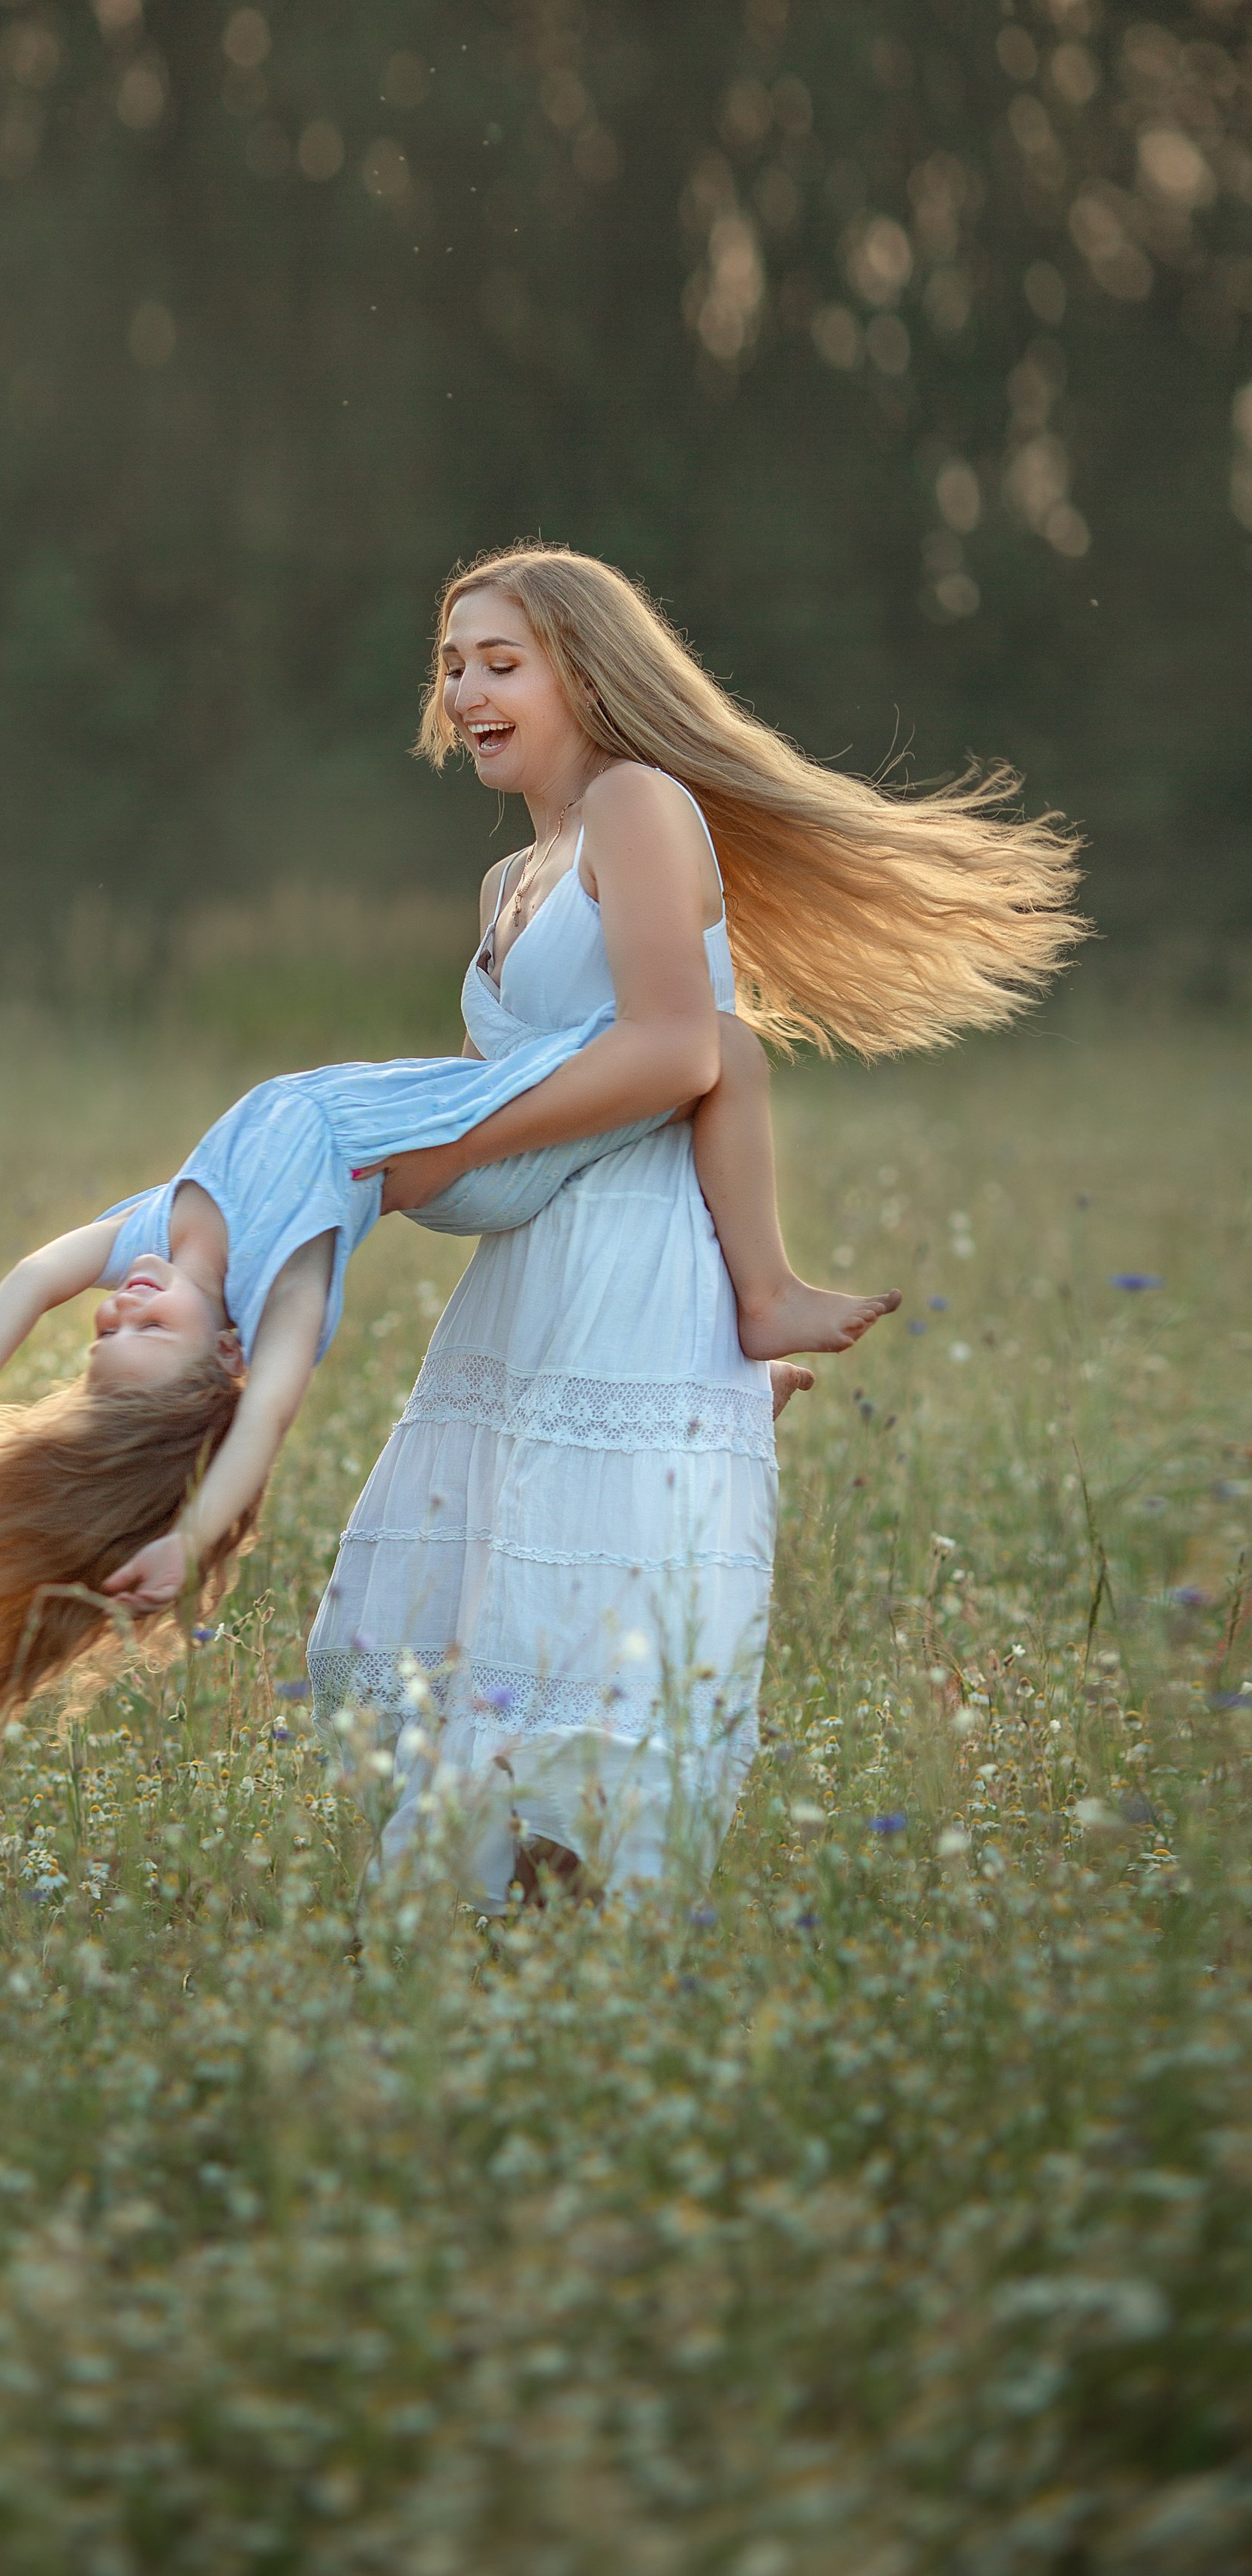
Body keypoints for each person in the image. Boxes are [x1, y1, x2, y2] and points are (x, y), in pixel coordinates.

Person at [307, 544, 1083, 1914]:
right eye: (452, 665)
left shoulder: (638, 806)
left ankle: (587, 1952)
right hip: (529, 1270)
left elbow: (683, 1052)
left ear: (585, 673)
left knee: (593, 1630)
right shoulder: (511, 882)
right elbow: (547, 1079)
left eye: (503, 662)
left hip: (636, 1248)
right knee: (496, 1618)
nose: (469, 690)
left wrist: (455, 1141)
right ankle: (490, 1944)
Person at [0, 950, 852, 1761]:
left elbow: (38, 1275)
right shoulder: (283, 1281)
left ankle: (737, 1397)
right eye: (148, 1337)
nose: (118, 1312)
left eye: (103, 1340)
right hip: (476, 1158)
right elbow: (270, 1413)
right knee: (719, 1045)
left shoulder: (154, 1239)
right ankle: (767, 1300)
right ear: (226, 1352)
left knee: (667, 1041)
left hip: (460, 1115)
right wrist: (192, 1533)